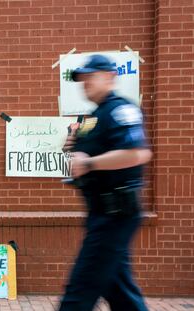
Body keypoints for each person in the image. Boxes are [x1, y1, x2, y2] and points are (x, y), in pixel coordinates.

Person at [58, 54, 152, 311]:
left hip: (116, 214)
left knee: (80, 290)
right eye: (82, 78)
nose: (84, 82)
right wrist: (74, 151)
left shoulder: (122, 110)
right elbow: (82, 157)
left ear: (110, 76)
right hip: (100, 213)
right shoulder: (92, 119)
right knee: (121, 293)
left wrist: (88, 163)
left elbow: (138, 153)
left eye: (91, 76)